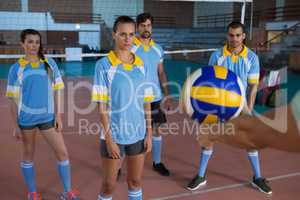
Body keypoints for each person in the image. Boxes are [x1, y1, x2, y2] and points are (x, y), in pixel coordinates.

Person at [186, 21, 272, 194]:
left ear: (244, 36)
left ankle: (257, 177)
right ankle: (201, 175)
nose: (234, 39)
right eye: (231, 35)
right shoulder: (217, 56)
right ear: (227, 36)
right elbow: (208, 82)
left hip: (240, 106)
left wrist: (248, 108)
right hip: (217, 105)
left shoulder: (252, 58)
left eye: (238, 35)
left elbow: (253, 86)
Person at [6, 29, 79, 200]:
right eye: (30, 42)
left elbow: (58, 90)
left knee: (62, 153)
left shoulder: (49, 63)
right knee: (28, 155)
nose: (33, 45)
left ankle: (67, 191)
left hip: (48, 118)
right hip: (27, 120)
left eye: (37, 42)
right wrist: (16, 125)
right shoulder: (16, 68)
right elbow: (12, 100)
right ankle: (32, 193)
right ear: (22, 44)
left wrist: (59, 116)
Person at [92, 16, 153, 200]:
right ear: (114, 35)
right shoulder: (103, 65)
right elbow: (101, 107)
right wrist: (109, 139)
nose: (127, 39)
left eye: (131, 35)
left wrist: (149, 132)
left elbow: (147, 101)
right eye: (123, 34)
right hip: (114, 135)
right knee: (109, 185)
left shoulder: (141, 65)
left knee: (135, 182)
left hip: (138, 134)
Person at [131, 12, 172, 176]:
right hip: (135, 98)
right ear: (137, 27)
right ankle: (120, 166)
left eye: (148, 25)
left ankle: (157, 162)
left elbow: (161, 72)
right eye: (142, 25)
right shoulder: (131, 47)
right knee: (131, 130)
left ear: (151, 27)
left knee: (156, 130)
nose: (145, 28)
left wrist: (167, 95)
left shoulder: (158, 48)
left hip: (154, 96)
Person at [197, 91, 300, 153]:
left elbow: (253, 135)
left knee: (252, 142)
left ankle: (257, 177)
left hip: (237, 102)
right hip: (229, 103)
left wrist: (213, 135)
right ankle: (201, 175)